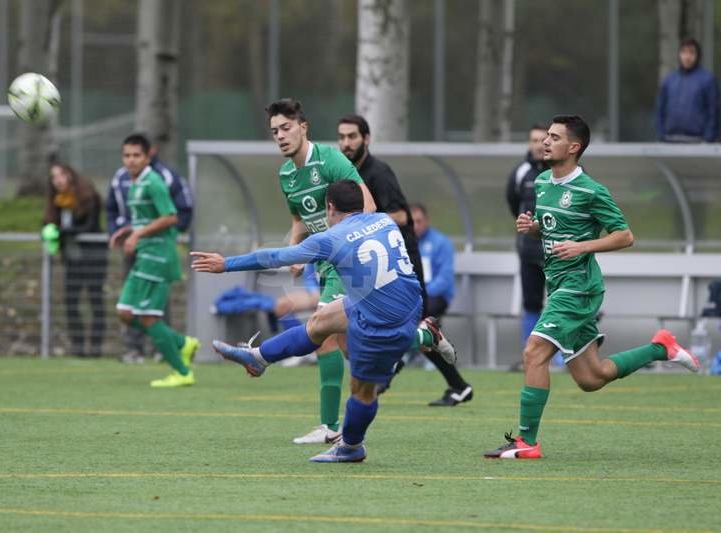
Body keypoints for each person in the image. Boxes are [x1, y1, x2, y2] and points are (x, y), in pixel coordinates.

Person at [484, 115, 700, 460]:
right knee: (591, 377)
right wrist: (533, 227)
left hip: (579, 287)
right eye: (546, 136)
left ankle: (526, 442)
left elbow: (625, 236)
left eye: (554, 137)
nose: (545, 142)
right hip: (558, 286)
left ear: (574, 147)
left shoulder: (591, 190)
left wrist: (582, 246)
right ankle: (662, 348)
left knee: (533, 353)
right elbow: (555, 227)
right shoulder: (542, 182)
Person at [192, 180, 455, 463]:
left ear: (330, 207)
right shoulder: (382, 220)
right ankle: (258, 358)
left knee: (363, 391)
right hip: (407, 297)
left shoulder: (330, 238)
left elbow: (274, 256)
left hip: (382, 317)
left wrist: (226, 264)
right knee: (320, 323)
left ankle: (352, 447)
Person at [338, 114, 472, 407]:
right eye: (342, 137)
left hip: (402, 261)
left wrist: (363, 222)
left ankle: (393, 372)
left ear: (366, 139)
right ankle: (447, 383)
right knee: (396, 323)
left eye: (352, 137)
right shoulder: (347, 174)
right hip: (375, 264)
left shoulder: (378, 172)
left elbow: (401, 215)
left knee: (414, 325)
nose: (346, 143)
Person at [266, 98, 377, 445]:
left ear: (303, 127)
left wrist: (339, 245)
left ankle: (330, 427)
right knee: (344, 341)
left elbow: (368, 205)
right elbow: (300, 220)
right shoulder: (286, 175)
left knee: (323, 333)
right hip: (326, 262)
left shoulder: (329, 159)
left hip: (349, 258)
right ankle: (414, 339)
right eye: (274, 132)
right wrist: (298, 253)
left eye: (286, 128)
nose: (281, 136)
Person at [109, 134, 200, 387]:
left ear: (148, 156)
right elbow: (147, 219)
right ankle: (182, 343)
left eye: (136, 155)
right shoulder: (134, 182)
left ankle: (182, 372)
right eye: (127, 155)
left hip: (158, 257)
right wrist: (128, 230)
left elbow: (170, 217)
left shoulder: (153, 181)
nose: (131, 160)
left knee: (149, 317)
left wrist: (137, 233)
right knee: (125, 312)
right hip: (145, 257)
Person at [409, 203, 473, 405]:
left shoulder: (440, 243)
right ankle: (459, 386)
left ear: (426, 220)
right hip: (412, 300)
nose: (416, 226)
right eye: (412, 222)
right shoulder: (401, 242)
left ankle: (381, 381)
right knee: (420, 338)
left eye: (419, 221)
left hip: (435, 298)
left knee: (414, 332)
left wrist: (418, 296)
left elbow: (444, 280)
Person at [43, 163, 108, 357]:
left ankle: (95, 348)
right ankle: (78, 347)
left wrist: (64, 231)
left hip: (93, 258)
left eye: (61, 175)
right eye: (54, 177)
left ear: (70, 175)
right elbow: (49, 224)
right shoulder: (56, 202)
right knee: (71, 302)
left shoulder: (89, 197)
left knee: (95, 301)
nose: (58, 181)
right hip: (72, 259)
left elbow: (90, 226)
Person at [505, 124, 554, 364]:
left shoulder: (566, 171)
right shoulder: (520, 172)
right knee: (531, 303)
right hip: (529, 251)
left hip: (559, 251)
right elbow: (514, 205)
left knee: (560, 302)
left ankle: (563, 357)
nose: (537, 145)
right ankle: (531, 356)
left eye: (542, 140)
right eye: (533, 140)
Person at [656, 37, 719, 143]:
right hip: (669, 139)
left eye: (691, 53)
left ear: (697, 56)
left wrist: (708, 139)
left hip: (698, 141)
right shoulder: (669, 80)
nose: (687, 57)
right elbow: (659, 109)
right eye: (684, 52)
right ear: (679, 54)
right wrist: (661, 134)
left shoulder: (708, 80)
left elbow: (714, 112)